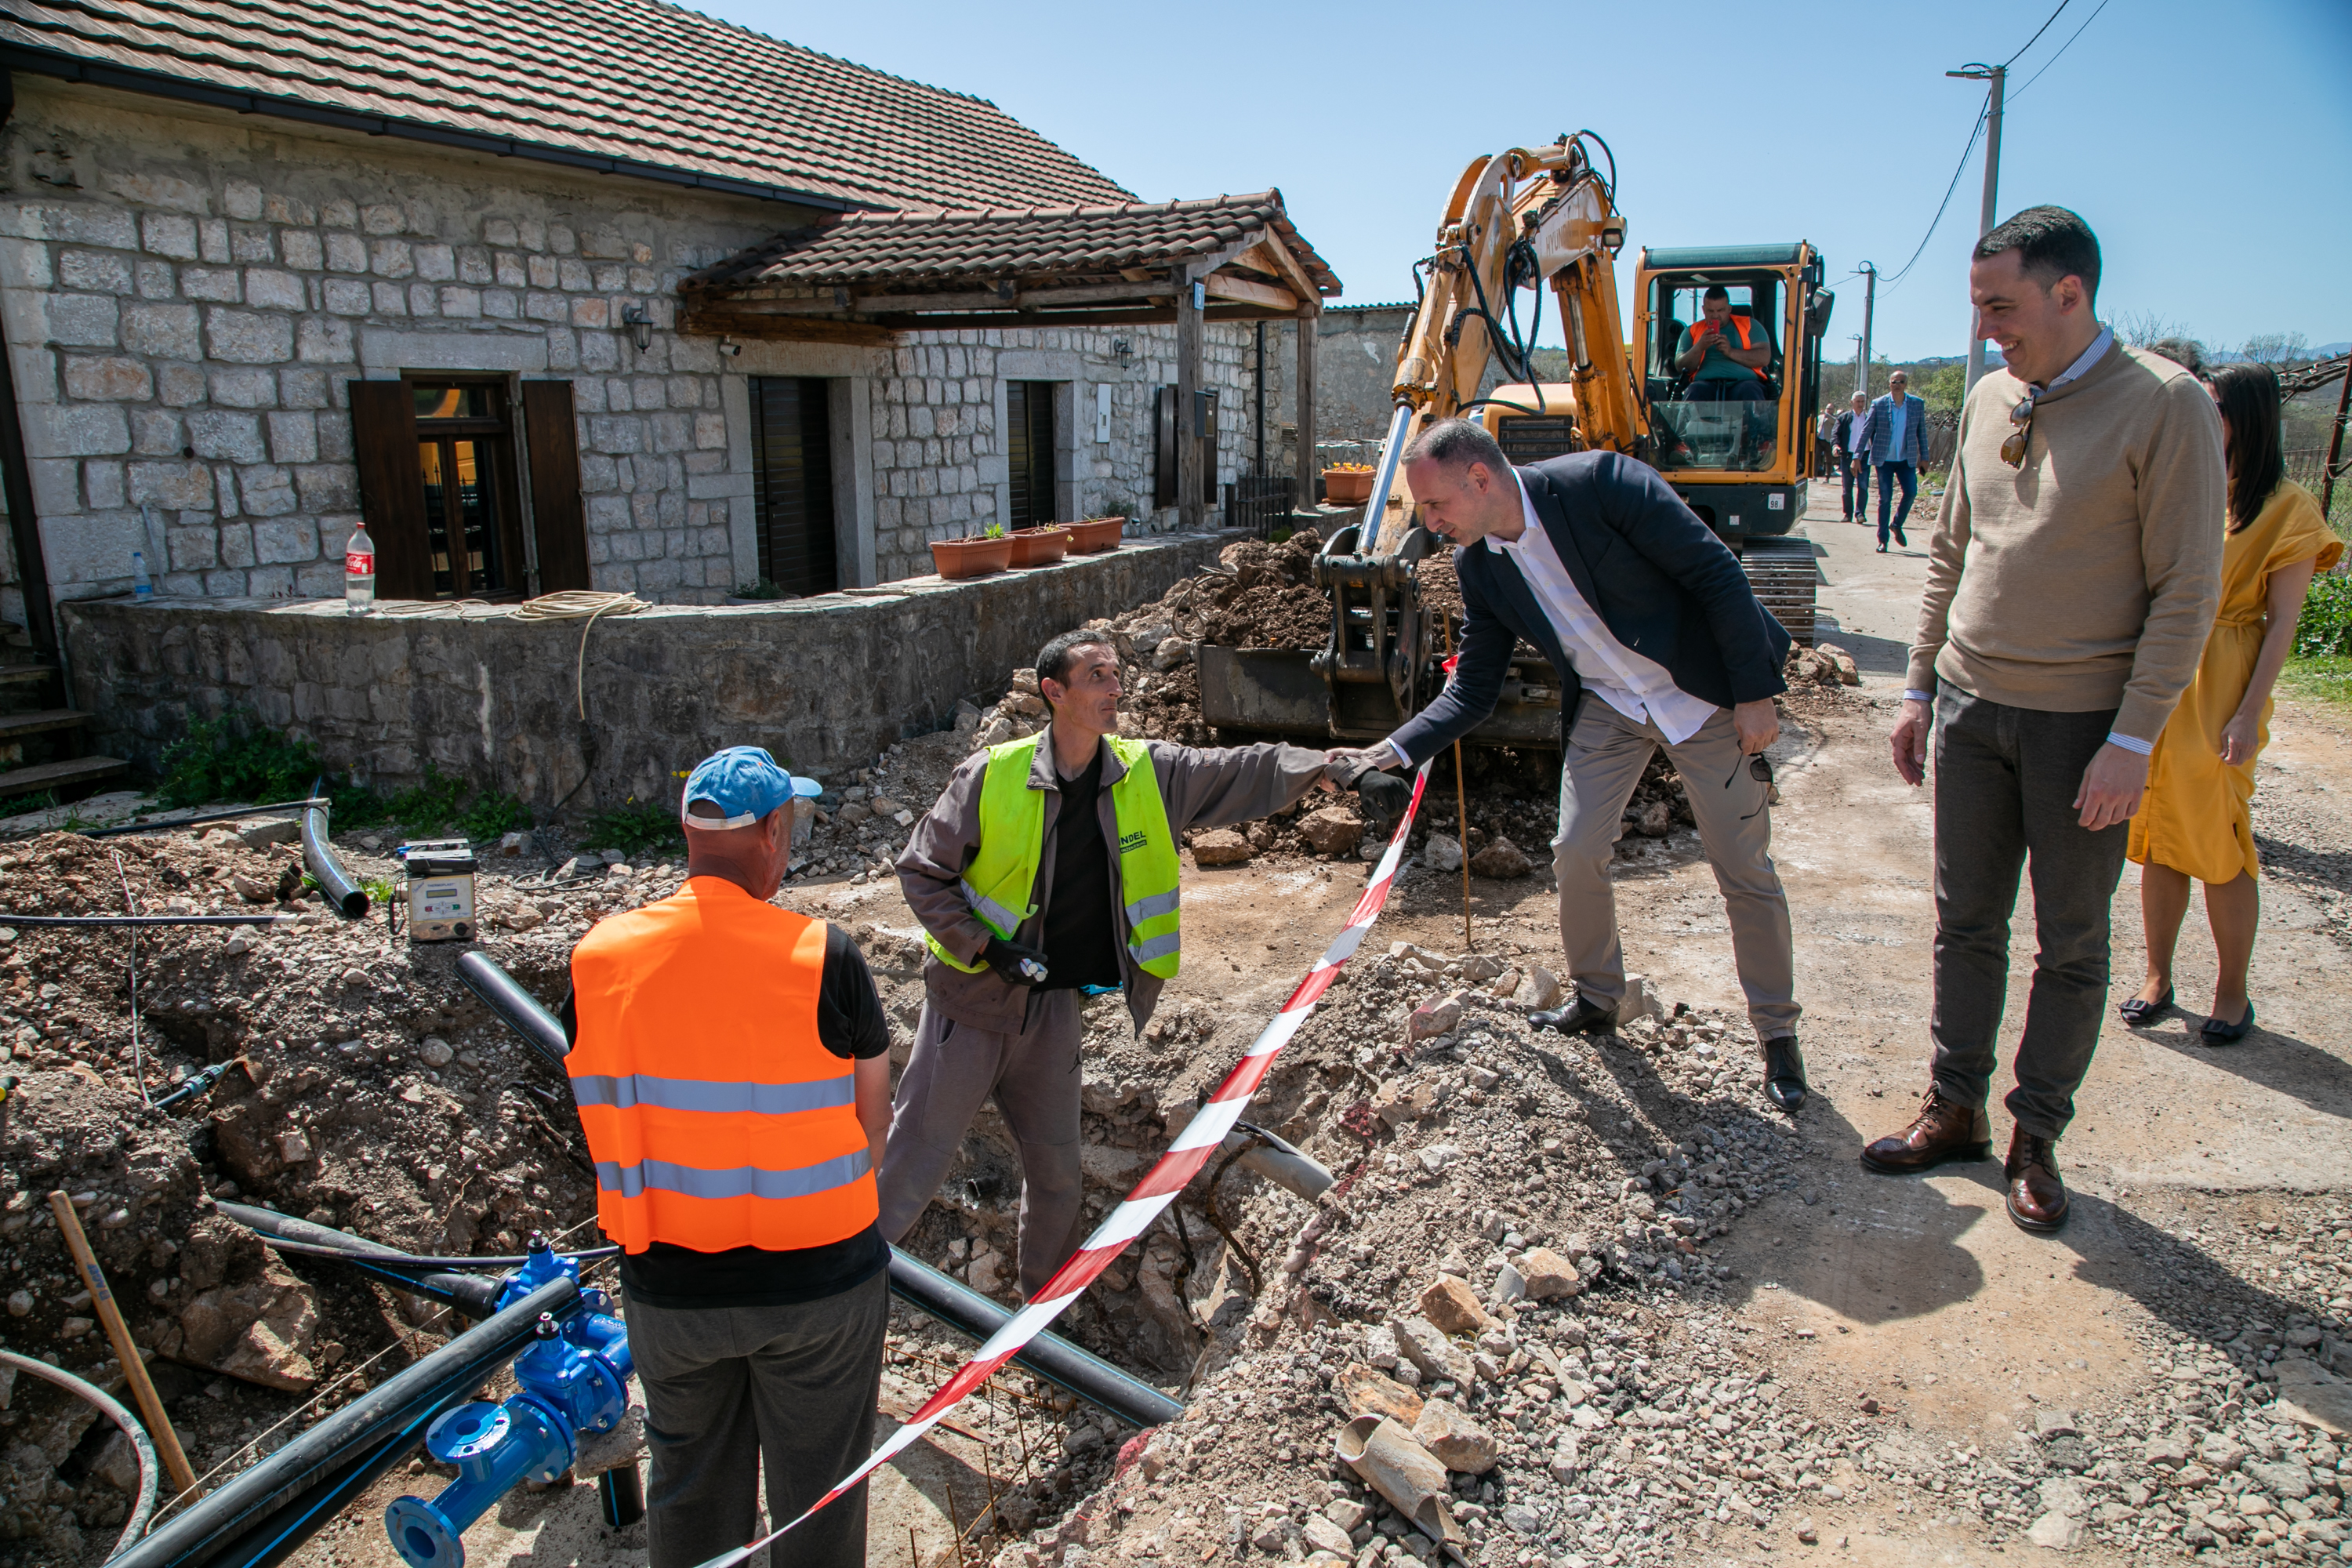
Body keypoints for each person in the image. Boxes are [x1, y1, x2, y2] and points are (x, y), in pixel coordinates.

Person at [1867, 206, 2225, 1236]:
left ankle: (2036, 1135)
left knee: (2070, 938)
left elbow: (2187, 591)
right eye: (1977, 306)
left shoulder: (2165, 405)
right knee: (1965, 923)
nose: (1984, 329)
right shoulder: (1992, 397)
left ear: (2071, 293)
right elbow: (1951, 551)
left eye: (2000, 306)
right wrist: (1919, 689)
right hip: (1972, 709)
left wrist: (2133, 739)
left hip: (2083, 728)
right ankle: (1956, 1108)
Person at [1327, 419, 1807, 1109]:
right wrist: (1391, 751)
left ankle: (1778, 1035)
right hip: (1611, 707)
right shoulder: (1480, 566)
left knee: (1743, 868)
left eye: (1435, 505)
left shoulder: (1603, 486)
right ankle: (1597, 998)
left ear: (1480, 479)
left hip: (1702, 696)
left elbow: (1715, 573)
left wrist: (1755, 693)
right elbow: (1473, 688)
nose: (1429, 524)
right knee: (1576, 850)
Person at [885, 631, 1363, 1297]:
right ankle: (845, 1302)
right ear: (1054, 692)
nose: (1116, 687)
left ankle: (1041, 1323)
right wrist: (987, 946)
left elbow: (1239, 769)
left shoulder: (1147, 771)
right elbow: (922, 871)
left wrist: (1330, 766)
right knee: (914, 1164)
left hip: (1053, 1010)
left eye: (1117, 673)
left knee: (1058, 1179)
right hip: (970, 1008)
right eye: (1097, 675)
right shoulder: (991, 775)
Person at [564, 746, 894, 1568]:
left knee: (690, 1493)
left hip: (670, 1289)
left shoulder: (599, 958)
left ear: (689, 833)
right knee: (820, 1500)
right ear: (774, 830)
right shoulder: (824, 954)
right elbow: (874, 1122)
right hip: (820, 1287)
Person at [2124, 363, 2341, 1044]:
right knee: (2157, 833)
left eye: (2211, 405)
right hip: (2162, 671)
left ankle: (2231, 991)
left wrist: (2247, 713)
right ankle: (2157, 977)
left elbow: (2282, 625)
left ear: (2243, 416)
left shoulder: (2288, 507)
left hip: (2222, 678)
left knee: (2220, 838)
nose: (2197, 415)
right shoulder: (2192, 486)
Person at [1863, 370, 1930, 550]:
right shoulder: (1879, 404)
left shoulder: (1916, 404)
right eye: (1894, 382)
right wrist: (1856, 456)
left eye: (1901, 382)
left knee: (1911, 492)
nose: (1897, 385)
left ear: (1906, 384)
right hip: (1884, 460)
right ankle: (1883, 540)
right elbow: (1866, 430)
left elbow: (1921, 432)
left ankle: (1897, 524)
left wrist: (1925, 457)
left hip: (1905, 460)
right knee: (1885, 498)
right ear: (1889, 384)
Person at [1674, 286, 1773, 401]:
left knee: (1749, 390)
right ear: (1703, 310)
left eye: (1720, 310)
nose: (1715, 315)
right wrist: (1699, 347)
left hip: (1745, 383)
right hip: (1703, 385)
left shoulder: (1750, 325)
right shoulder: (1691, 331)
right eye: (1710, 311)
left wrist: (1730, 352)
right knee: (1695, 390)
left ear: (1729, 309)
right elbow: (1680, 366)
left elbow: (1764, 358)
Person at [1832, 392, 1870, 522]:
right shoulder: (1844, 418)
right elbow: (1835, 434)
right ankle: (1848, 514)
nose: (1860, 404)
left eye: (1862, 401)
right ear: (1852, 402)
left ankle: (1860, 514)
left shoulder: (1869, 418)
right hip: (1848, 455)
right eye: (1858, 401)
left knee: (1863, 486)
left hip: (1864, 456)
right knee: (1847, 487)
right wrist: (1835, 446)